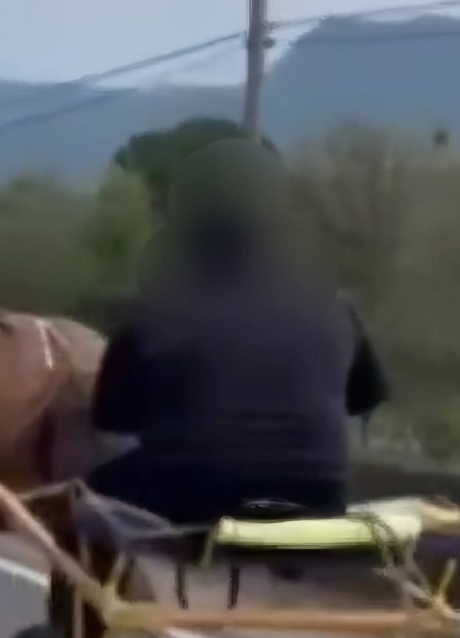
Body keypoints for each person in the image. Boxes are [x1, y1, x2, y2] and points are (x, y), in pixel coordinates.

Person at [72, 138, 390, 526]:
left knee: (82, 497)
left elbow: (112, 421)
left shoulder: (154, 314)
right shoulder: (337, 307)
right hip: (319, 496)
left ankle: (82, 586)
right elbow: (366, 398)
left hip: (196, 495)